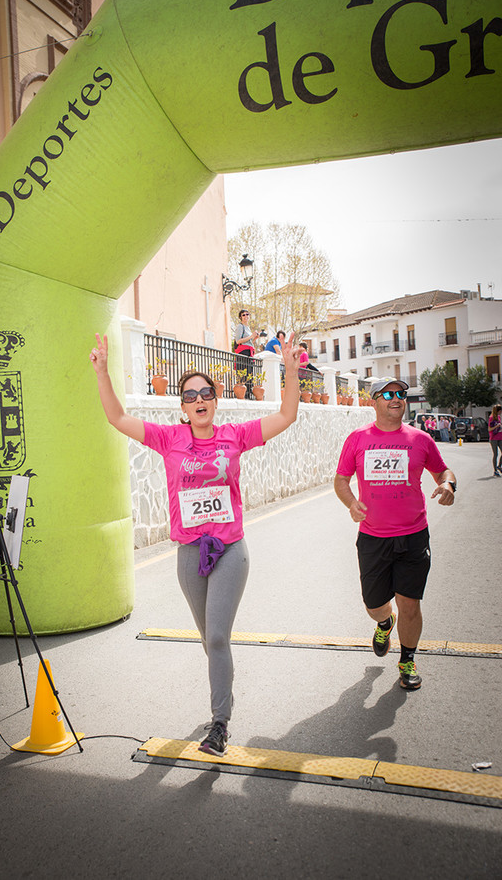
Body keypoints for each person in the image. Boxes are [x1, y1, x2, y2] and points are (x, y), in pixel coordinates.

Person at [90, 331, 302, 756]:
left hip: (229, 551)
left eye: (206, 392)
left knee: (219, 638)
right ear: (183, 407)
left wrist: (292, 371)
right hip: (190, 553)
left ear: (215, 400)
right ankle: (225, 695)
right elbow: (116, 417)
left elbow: (286, 415)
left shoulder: (235, 436)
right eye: (190, 395)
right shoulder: (169, 439)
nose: (200, 399)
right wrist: (102, 372)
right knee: (209, 640)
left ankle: (219, 724)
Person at [334, 377, 457, 691]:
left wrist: (447, 484)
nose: (396, 398)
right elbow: (341, 479)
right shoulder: (357, 439)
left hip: (414, 536)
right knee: (375, 604)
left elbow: (443, 470)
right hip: (373, 538)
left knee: (410, 604)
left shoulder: (420, 439)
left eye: (401, 394)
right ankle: (384, 623)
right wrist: (351, 503)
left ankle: (407, 660)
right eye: (388, 394)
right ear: (374, 401)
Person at [233, 309, 259, 398]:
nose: (246, 316)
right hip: (243, 352)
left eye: (247, 314)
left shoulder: (247, 328)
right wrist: (251, 336)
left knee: (249, 372)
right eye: (243, 315)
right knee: (244, 372)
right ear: (240, 317)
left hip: (249, 351)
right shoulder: (240, 326)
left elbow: (248, 341)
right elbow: (238, 340)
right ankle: (243, 393)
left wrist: (254, 338)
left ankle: (248, 392)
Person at [488, 404, 502, 476]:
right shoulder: (491, 418)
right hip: (493, 438)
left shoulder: (499, 417)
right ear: (498, 411)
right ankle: (495, 470)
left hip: (500, 437)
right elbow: (489, 429)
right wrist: (497, 426)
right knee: (495, 454)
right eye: (500, 411)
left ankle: (499, 466)